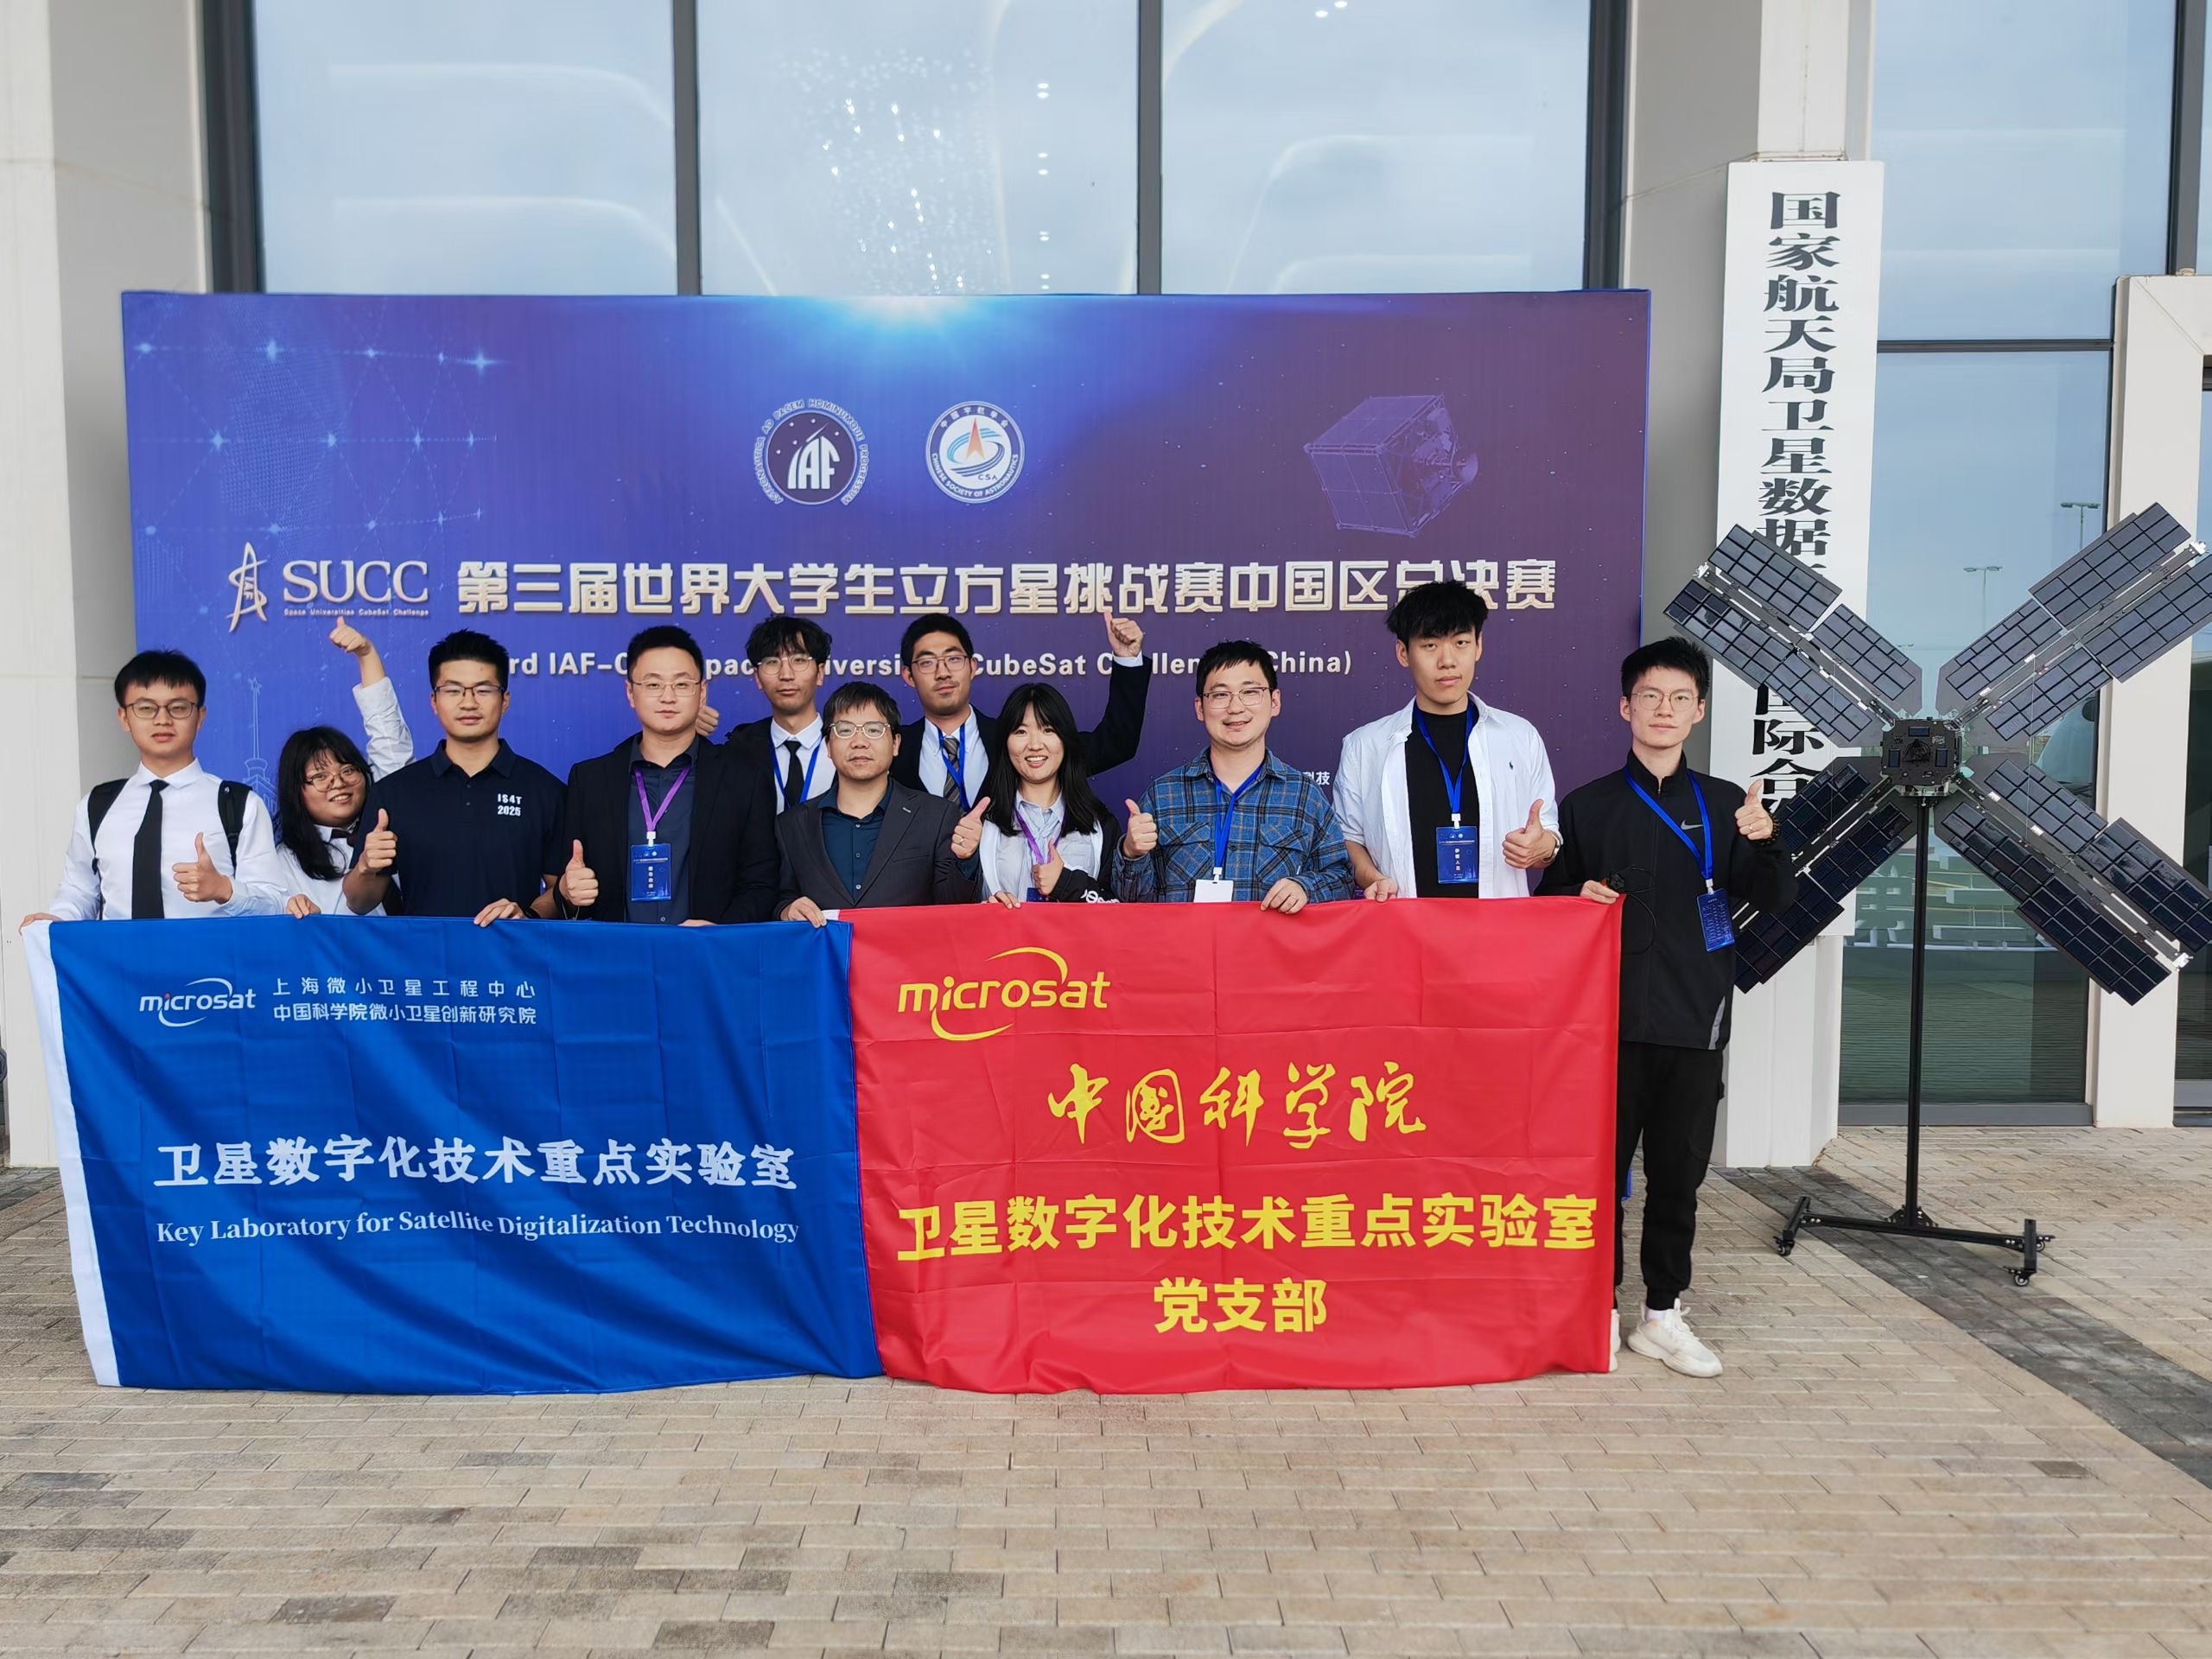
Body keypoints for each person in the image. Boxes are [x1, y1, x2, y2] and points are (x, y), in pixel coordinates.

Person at [1538, 637, 1796, 1379]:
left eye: (1680, 699)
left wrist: (1768, 840)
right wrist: (1573, 892)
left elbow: (1777, 899)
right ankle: (1595, 1311)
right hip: (1605, 1031)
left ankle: (1661, 1315)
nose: (1664, 710)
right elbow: (1547, 909)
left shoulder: (1727, 804)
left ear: (1699, 712)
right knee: (1596, 1181)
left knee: (1678, 1180)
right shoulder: (1587, 806)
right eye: (1650, 696)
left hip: (1694, 1023)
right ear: (1625, 707)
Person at [1334, 580, 1560, 901]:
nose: (1448, 661)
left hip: (1498, 926)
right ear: (1403, 653)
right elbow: (1349, 839)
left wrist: (1543, 847)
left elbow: (1547, 834)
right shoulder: (1365, 746)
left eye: (1461, 642)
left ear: (1478, 646)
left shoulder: (1519, 736)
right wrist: (1375, 878)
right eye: (1430, 645)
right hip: (1404, 924)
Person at [22, 649, 286, 923]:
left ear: (200, 717)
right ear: (124, 718)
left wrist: (224, 890)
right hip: (119, 952)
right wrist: (56, 921)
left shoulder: (239, 805)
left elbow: (275, 902)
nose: (162, 720)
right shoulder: (97, 805)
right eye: (146, 708)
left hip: (209, 952)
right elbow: (79, 891)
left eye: (178, 708)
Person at [555, 624, 778, 925]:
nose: (668, 697)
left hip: (707, 951)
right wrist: (568, 893)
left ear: (702, 692)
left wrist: (719, 934)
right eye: (653, 685)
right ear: (630, 692)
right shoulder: (590, 781)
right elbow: (571, 889)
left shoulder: (744, 779)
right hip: (617, 952)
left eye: (682, 684)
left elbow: (761, 885)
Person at [341, 628, 564, 925]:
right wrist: (366, 867)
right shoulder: (394, 791)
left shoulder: (545, 790)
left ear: (505, 700)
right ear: (434, 701)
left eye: (483, 690)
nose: (468, 703)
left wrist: (530, 915)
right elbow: (359, 903)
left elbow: (561, 891)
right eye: (453, 690)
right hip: (423, 954)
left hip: (512, 954)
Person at [1114, 641, 1354, 912]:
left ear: (1274, 702)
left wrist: (1305, 887)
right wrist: (1131, 853)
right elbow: (1131, 904)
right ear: (1200, 708)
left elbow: (1342, 879)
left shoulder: (1303, 795)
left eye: (1250, 692)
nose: (1235, 707)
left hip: (1268, 941)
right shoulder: (1163, 794)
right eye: (1220, 695)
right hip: (1184, 940)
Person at [889, 608, 1151, 804]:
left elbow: (1116, 744)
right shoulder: (891, 749)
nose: (943, 672)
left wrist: (1127, 660)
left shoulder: (1015, 739)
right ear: (909, 676)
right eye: (927, 662)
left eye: (953, 659)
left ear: (972, 667)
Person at [777, 681, 983, 923]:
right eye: (845, 730)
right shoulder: (792, 824)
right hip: (826, 948)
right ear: (828, 746)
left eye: (874, 730)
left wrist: (966, 860)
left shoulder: (936, 815)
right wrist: (786, 909)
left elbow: (952, 908)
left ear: (895, 744)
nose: (859, 742)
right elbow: (781, 896)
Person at [272, 620, 416, 917]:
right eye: (320, 777)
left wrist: (367, 654)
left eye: (348, 770)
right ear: (296, 792)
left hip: (423, 946)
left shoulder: (392, 813)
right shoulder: (285, 862)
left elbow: (390, 739)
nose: (338, 783)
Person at [976, 683, 1121, 906]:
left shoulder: (1100, 824)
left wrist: (1067, 883)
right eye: (1021, 732)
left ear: (1066, 740)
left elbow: (1120, 910)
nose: (1035, 745)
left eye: (1048, 730)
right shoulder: (983, 823)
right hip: (1004, 933)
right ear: (1005, 743)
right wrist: (984, 909)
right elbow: (951, 907)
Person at [722, 615, 834, 816]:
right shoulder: (738, 752)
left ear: (820, 673)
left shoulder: (849, 744)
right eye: (772, 662)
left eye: (799, 660)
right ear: (757, 678)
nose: (786, 675)